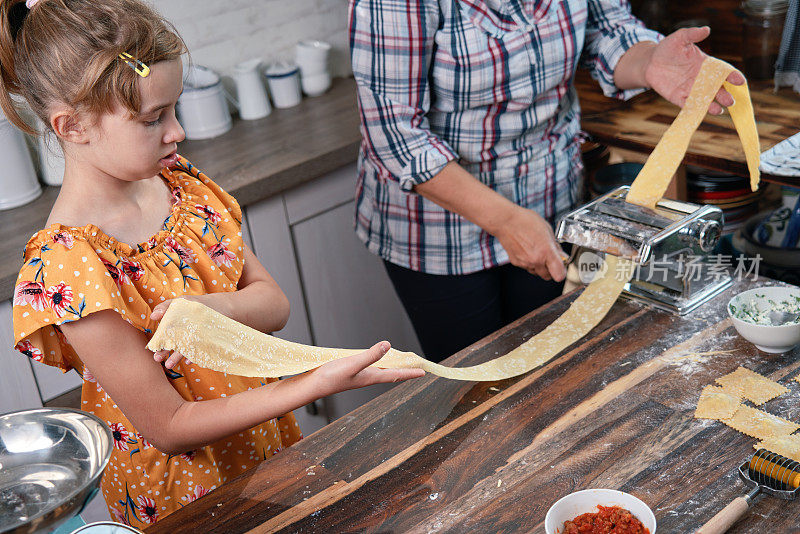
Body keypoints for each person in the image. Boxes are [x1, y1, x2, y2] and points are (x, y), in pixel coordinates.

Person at [2, 0, 424, 525]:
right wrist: (310, 385)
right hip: (186, 494)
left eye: (174, 109)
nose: (176, 131)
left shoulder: (179, 189)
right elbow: (171, 425)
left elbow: (273, 303)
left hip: (263, 446)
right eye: (154, 118)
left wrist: (212, 310)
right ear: (71, 127)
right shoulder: (68, 267)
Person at [348, 0, 743, 363]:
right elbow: (396, 135)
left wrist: (650, 59)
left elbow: (605, 28)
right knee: (474, 393)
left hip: (548, 196)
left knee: (543, 370)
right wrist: (505, 221)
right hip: (438, 228)